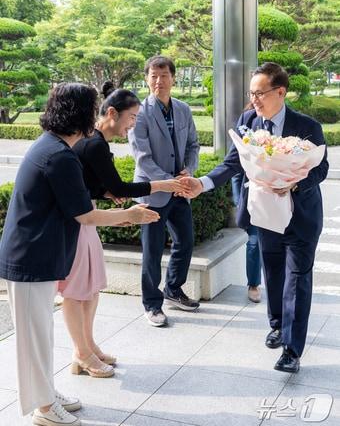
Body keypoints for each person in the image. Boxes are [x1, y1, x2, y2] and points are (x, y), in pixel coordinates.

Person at [0, 83, 159, 426]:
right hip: (30, 257)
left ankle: (45, 393)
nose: (97, 114)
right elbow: (84, 214)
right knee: (35, 336)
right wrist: (130, 214)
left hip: (36, 255)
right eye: (93, 109)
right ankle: (43, 409)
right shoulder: (58, 156)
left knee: (40, 333)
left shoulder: (55, 149)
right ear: (81, 115)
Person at [180, 62, 329, 373]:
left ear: (280, 92)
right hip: (264, 215)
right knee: (273, 274)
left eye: (259, 93)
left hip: (300, 216)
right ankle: (277, 325)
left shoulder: (307, 126)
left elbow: (321, 168)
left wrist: (295, 182)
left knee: (297, 280)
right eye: (252, 94)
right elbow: (233, 162)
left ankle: (292, 349)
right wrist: (203, 183)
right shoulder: (249, 120)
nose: (254, 100)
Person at [58, 84, 183, 376]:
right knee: (77, 292)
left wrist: (106, 193)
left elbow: (94, 185)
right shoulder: (95, 143)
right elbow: (117, 187)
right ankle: (81, 353)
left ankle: (88, 348)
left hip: (86, 219)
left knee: (90, 287)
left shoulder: (94, 142)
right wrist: (162, 184)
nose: (133, 124)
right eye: (132, 117)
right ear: (111, 113)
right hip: (79, 222)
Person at [128, 55, 200, 327]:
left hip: (180, 189)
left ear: (174, 77)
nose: (159, 81)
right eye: (153, 76)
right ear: (147, 79)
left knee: (185, 241)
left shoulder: (183, 109)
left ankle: (173, 288)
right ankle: (152, 303)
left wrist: (188, 172)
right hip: (154, 192)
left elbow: (193, 145)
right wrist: (168, 181)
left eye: (164, 75)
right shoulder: (140, 113)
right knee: (153, 251)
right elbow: (142, 157)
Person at [231, 172, 262, 303]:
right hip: (253, 206)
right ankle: (253, 284)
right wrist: (239, 202)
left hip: (280, 202)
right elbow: (236, 175)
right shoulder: (243, 150)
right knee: (254, 244)